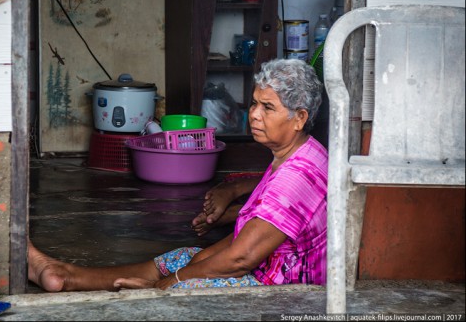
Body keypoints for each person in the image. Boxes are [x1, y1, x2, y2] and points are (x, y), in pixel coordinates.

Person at [28, 58, 327, 291]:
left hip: (282, 290)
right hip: (265, 269)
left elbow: (241, 258)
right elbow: (245, 239)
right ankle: (69, 277)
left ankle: (86, 282)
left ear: (299, 118)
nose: (254, 114)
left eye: (267, 107)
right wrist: (193, 263)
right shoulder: (298, 154)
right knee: (185, 256)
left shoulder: (297, 175)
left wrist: (172, 282)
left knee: (181, 283)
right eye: (253, 103)